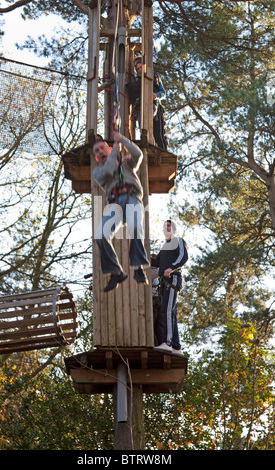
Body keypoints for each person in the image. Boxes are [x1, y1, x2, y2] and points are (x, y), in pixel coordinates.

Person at [93, 131, 149, 292]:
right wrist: (115, 150)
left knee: (136, 227)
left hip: (132, 198)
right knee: (101, 236)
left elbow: (138, 154)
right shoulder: (98, 172)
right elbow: (109, 170)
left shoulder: (126, 163)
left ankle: (138, 267)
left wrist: (122, 141)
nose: (100, 152)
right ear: (96, 158)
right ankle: (115, 271)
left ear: (108, 149)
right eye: (97, 152)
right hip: (115, 204)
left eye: (102, 148)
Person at [151, 220, 188, 356]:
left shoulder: (178, 241)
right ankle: (176, 347)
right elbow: (157, 262)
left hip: (173, 279)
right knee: (170, 313)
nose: (166, 228)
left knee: (166, 312)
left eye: (169, 226)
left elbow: (183, 257)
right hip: (165, 282)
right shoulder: (164, 247)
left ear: (173, 229)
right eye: (164, 226)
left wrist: (171, 268)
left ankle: (167, 343)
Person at [126, 55, 168, 151]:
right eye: (137, 69)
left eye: (141, 67)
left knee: (159, 134)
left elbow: (163, 93)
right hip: (142, 107)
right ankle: (148, 145)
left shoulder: (155, 78)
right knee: (144, 128)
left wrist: (156, 95)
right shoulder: (138, 83)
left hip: (156, 108)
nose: (140, 70)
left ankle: (163, 151)